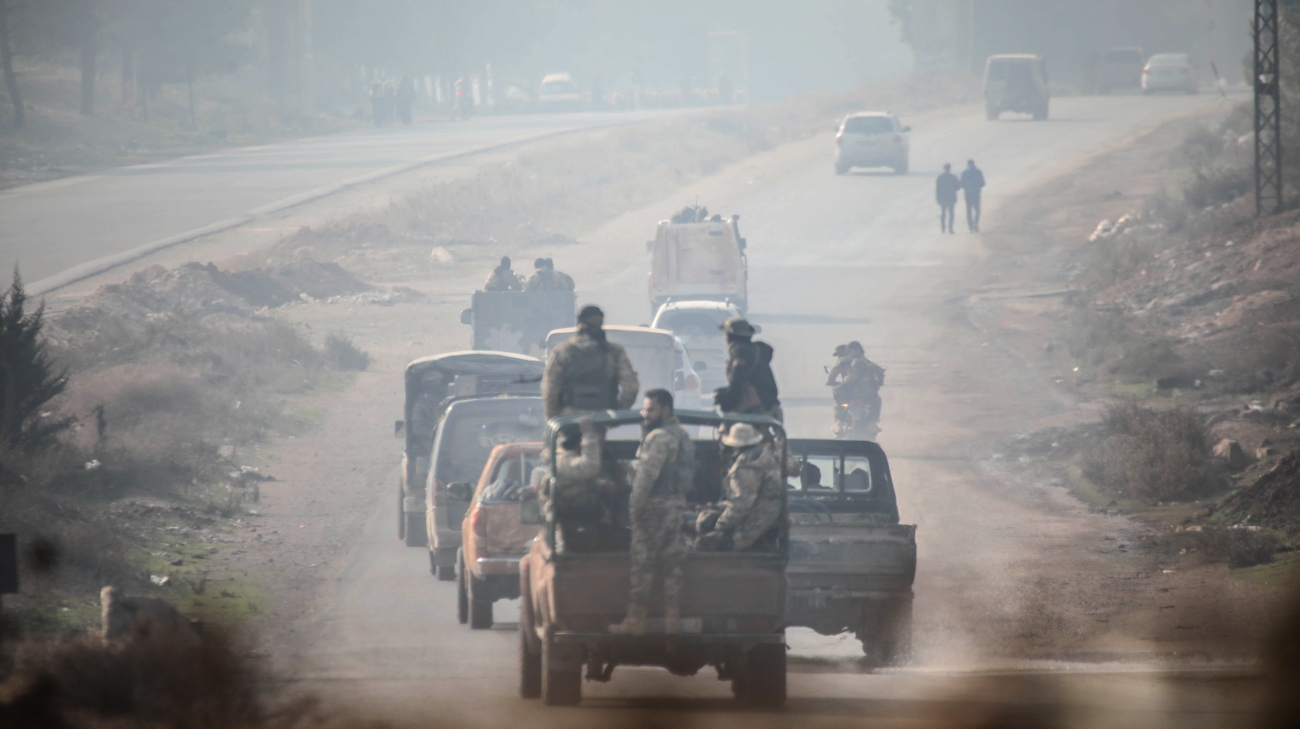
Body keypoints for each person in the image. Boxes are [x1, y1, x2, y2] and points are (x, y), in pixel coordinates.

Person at [609, 390, 695, 635]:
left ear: (665, 410)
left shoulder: (659, 438)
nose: (645, 414)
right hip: (675, 507)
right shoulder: (681, 434)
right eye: (644, 409)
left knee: (642, 564)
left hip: (654, 509)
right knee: (673, 567)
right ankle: (672, 621)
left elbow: (646, 477)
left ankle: (635, 620)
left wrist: (634, 508)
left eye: (651, 409)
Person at [543, 305, 640, 421]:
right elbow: (631, 387)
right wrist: (617, 413)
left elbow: (550, 390)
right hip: (601, 418)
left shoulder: (563, 351)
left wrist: (555, 419)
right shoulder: (614, 352)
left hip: (568, 419)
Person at [696, 423, 783, 552]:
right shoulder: (764, 455)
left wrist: (719, 524)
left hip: (756, 523)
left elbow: (741, 504)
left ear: (735, 444)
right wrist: (715, 507)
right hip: (771, 519)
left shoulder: (746, 464)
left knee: (701, 543)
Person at [538, 417, 607, 552]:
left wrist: (603, 485)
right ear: (580, 442)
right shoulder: (562, 460)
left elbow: (579, 482)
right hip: (573, 529)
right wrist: (589, 435)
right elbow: (589, 468)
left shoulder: (566, 460)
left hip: (584, 524)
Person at [714, 317, 780, 422]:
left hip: (756, 413)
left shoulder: (741, 353)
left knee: (726, 430)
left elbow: (737, 383)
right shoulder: (755, 351)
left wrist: (726, 402)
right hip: (771, 411)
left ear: (729, 338)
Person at [827, 341, 885, 423]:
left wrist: (830, 382)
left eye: (850, 351)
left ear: (856, 350)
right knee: (875, 401)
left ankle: (839, 422)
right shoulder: (867, 362)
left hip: (850, 391)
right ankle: (872, 422)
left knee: (838, 401)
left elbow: (834, 372)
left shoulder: (844, 362)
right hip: (863, 392)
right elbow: (879, 371)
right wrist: (879, 382)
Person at [961, 160, 986, 232]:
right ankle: (976, 223)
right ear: (974, 164)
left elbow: (962, 184)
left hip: (968, 193)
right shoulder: (978, 172)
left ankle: (970, 226)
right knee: (977, 209)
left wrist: (967, 187)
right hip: (976, 193)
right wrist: (977, 186)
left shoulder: (964, 172)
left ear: (967, 164)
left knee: (969, 210)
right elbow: (983, 183)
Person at [936, 163, 960, 234]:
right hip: (951, 197)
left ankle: (943, 228)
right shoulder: (953, 177)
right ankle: (950, 228)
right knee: (951, 213)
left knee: (943, 213)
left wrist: (938, 198)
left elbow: (938, 189)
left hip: (943, 198)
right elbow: (958, 188)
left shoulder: (940, 177)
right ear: (950, 168)